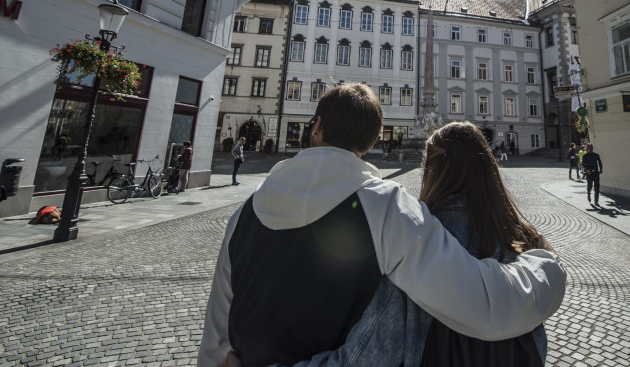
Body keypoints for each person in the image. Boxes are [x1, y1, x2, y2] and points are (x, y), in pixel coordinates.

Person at [198, 84, 565, 367]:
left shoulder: (245, 211)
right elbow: (485, 304)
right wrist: (544, 265)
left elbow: (216, 334)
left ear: (318, 127)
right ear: (372, 140)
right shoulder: (387, 207)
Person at [284, 121, 550, 366]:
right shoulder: (524, 240)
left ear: (432, 169)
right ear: (488, 167)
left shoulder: (417, 236)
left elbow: (368, 354)